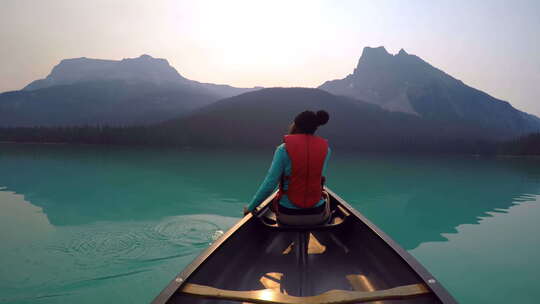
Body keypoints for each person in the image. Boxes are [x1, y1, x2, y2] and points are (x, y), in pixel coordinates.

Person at [244, 110, 331, 225]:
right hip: (317, 214)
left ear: (296, 125)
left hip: (288, 214)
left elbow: (270, 183)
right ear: (315, 128)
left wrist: (251, 207)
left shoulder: (283, 149)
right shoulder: (326, 150)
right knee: (327, 197)